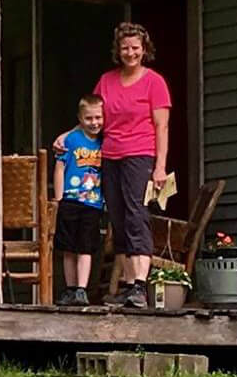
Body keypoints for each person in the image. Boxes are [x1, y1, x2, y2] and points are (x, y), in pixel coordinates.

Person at [56, 22, 171, 311]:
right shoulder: (107, 81)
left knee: (136, 215)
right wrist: (67, 136)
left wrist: (160, 167)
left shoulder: (154, 82)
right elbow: (91, 116)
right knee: (117, 220)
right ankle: (128, 286)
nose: (130, 53)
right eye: (125, 48)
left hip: (139, 155)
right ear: (117, 51)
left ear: (144, 50)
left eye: (135, 48)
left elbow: (162, 126)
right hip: (110, 156)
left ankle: (140, 286)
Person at [53, 94, 105, 306]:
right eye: (89, 118)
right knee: (68, 247)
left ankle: (81, 290)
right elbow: (59, 167)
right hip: (70, 200)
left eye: (98, 118)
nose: (94, 123)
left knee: (86, 247)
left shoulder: (105, 141)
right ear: (80, 118)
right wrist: (58, 198)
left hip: (92, 203)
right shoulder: (70, 139)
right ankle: (70, 288)